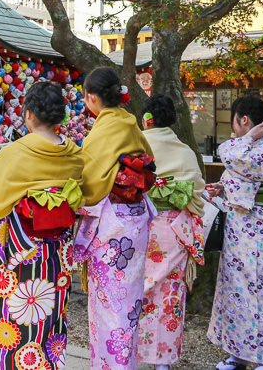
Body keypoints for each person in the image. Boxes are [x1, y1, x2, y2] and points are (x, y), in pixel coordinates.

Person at [0, 80, 85, 370]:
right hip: (58, 253)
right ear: (60, 116)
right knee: (50, 320)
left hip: (21, 251)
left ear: (27, 114)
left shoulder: (15, 153)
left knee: (12, 321)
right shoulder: (75, 156)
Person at [72, 67, 155, 370]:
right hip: (135, 222)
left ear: (92, 98)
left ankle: (111, 366)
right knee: (128, 303)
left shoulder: (102, 131)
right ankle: (123, 364)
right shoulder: (130, 123)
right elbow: (150, 162)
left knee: (109, 306)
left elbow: (88, 184)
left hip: (111, 229)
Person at [206, 95, 263, 370]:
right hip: (238, 225)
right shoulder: (248, 149)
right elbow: (235, 168)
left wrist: (248, 137)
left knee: (258, 288)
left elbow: (228, 154)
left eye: (236, 122)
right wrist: (223, 187)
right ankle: (237, 353)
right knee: (234, 289)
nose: (234, 128)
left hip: (256, 225)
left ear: (245, 121)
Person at [136, 95, 205, 370]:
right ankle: (161, 361)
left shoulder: (137, 146)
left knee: (135, 290)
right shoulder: (185, 151)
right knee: (169, 296)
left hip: (141, 226)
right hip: (174, 230)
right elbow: (197, 193)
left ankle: (130, 352)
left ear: (146, 119)